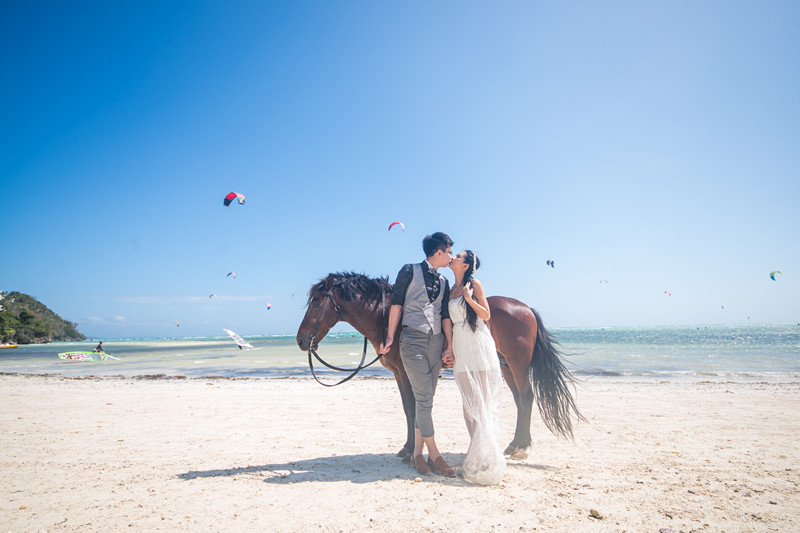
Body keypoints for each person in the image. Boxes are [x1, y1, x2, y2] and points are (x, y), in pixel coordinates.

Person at [380, 232, 456, 477]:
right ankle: (434, 455)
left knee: (426, 400)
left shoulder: (444, 281)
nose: (451, 256)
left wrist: (449, 345)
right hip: (412, 340)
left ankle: (416, 454)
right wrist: (391, 336)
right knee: (424, 399)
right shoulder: (409, 270)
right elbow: (397, 304)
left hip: (435, 342)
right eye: (449, 251)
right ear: (438, 252)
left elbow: (445, 316)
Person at [448, 250, 506, 485]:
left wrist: (469, 298)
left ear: (466, 265)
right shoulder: (450, 289)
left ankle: (485, 459)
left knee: (482, 404)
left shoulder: (474, 284)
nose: (453, 257)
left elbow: (485, 314)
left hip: (478, 346)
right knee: (468, 406)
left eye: (458, 255)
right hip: (461, 346)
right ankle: (478, 453)